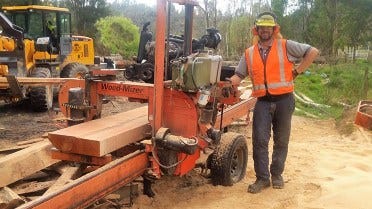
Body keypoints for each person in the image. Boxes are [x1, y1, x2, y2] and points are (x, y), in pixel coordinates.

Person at [229, 11, 319, 194]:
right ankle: (262, 179)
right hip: (262, 102)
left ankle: (277, 174)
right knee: (260, 141)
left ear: (274, 29)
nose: (265, 31)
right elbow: (239, 75)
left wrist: (297, 71)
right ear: (257, 30)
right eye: (261, 27)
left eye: (268, 28)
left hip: (284, 100)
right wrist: (226, 84)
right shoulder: (249, 53)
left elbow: (312, 52)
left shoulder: (285, 46)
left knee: (281, 140)